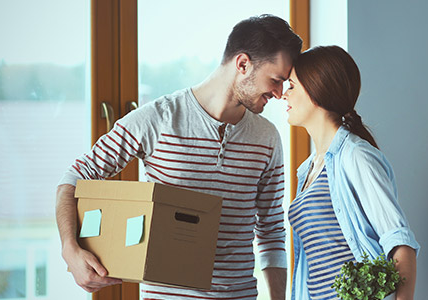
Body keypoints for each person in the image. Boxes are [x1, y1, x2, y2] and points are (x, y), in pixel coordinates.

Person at [56, 14, 302, 300]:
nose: (279, 92)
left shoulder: (267, 137)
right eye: (276, 80)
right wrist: (69, 249)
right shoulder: (158, 119)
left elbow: (271, 231)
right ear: (243, 64)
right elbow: (74, 178)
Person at [281, 45, 420, 300]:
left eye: (291, 86)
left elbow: (400, 243)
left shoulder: (356, 156)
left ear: (316, 90)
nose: (283, 95)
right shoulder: (308, 169)